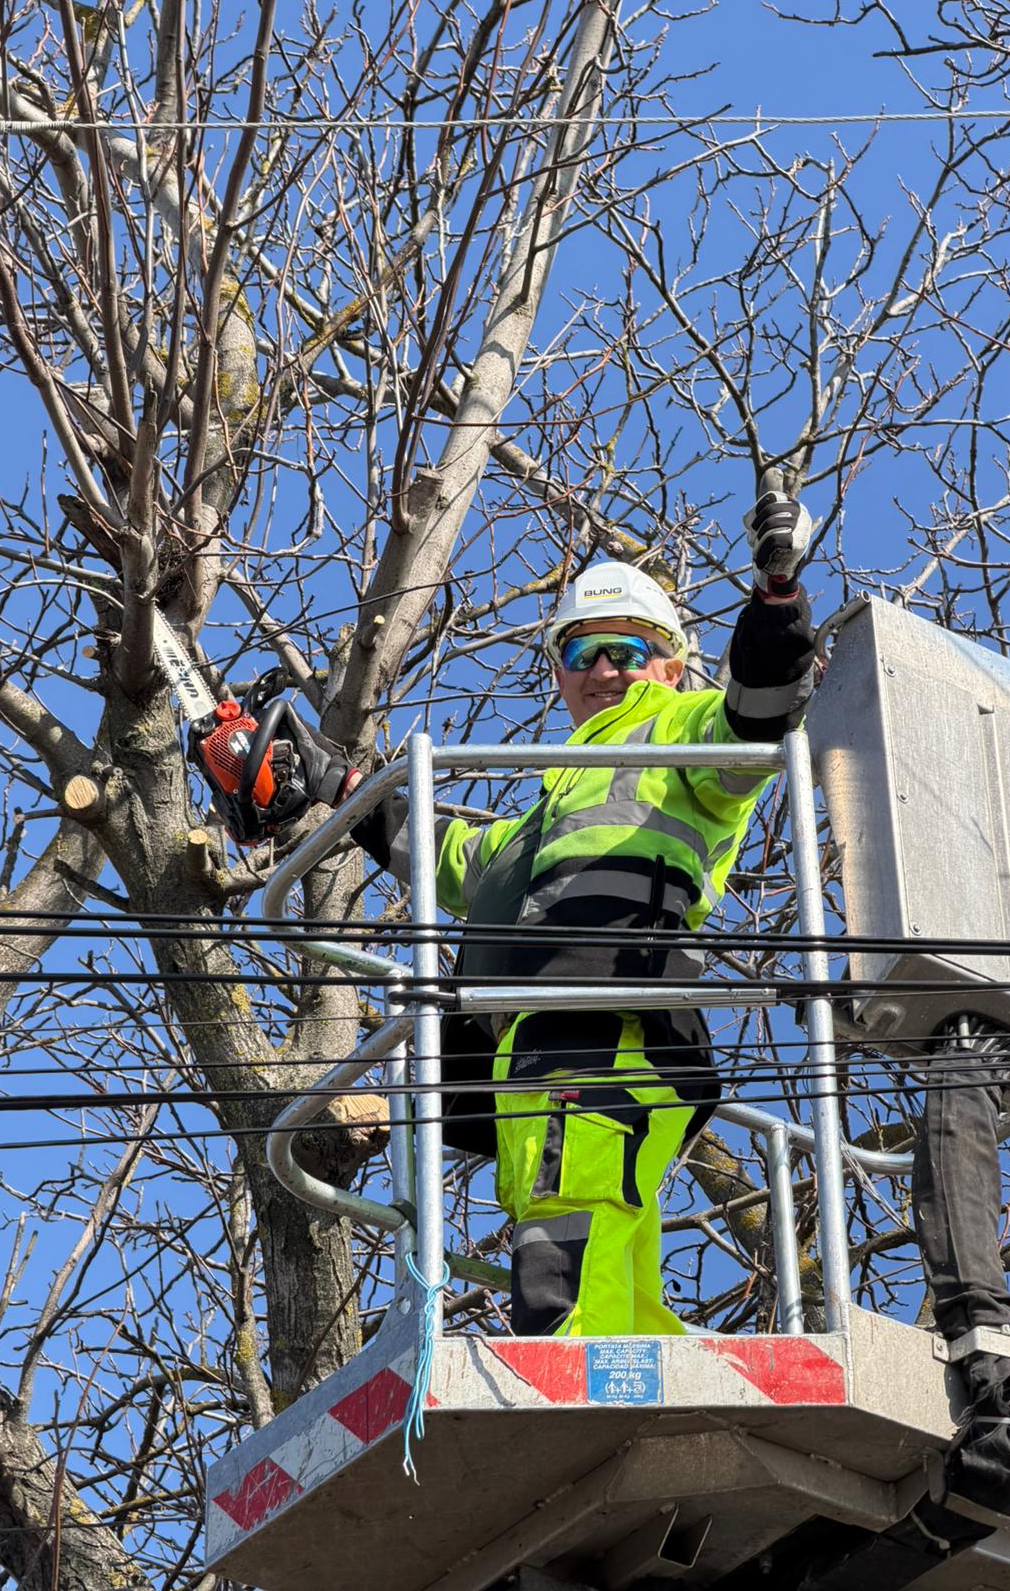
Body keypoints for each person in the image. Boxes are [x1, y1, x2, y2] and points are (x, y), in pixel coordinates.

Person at [300, 491, 816, 1336]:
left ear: (670, 665)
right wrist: (324, 787)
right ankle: (644, 1379)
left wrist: (777, 598)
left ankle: (580, 1384)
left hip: (605, 1026)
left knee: (564, 1245)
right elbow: (441, 855)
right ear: (559, 670)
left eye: (629, 649)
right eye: (584, 649)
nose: (605, 667)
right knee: (609, 1250)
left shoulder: (681, 734)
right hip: (533, 1049)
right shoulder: (542, 814)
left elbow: (761, 711)